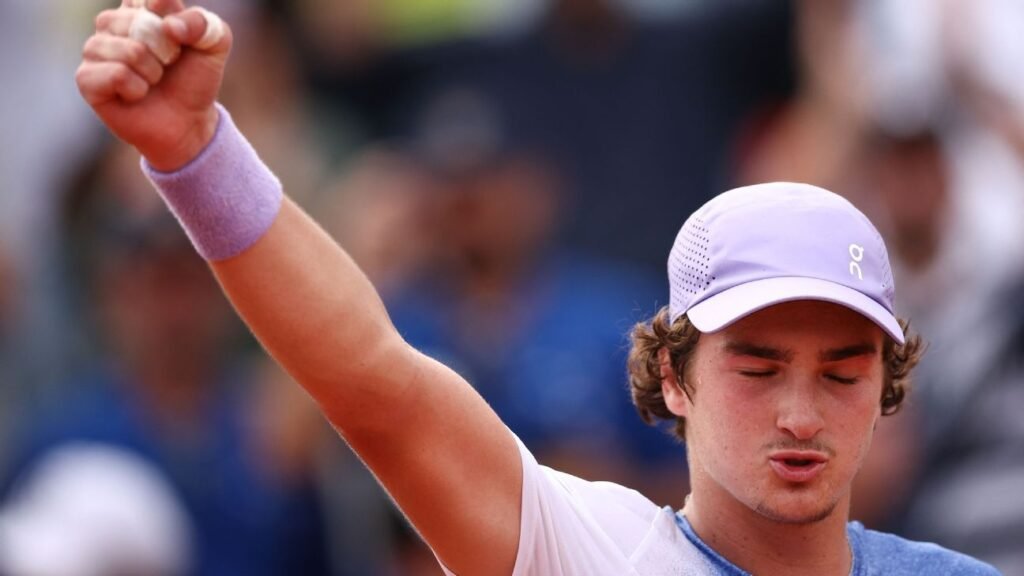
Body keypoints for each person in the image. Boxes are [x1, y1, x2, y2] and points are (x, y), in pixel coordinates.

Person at [74, 2, 1001, 575]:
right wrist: (195, 154)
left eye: (841, 375)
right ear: (672, 378)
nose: (801, 413)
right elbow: (368, 375)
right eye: (758, 369)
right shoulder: (583, 551)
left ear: (885, 393)